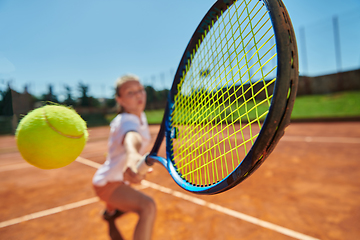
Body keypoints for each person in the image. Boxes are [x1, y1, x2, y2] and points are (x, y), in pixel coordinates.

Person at [92, 74, 156, 240]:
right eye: (130, 92)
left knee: (124, 204)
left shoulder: (140, 116)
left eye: (140, 90)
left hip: (118, 179)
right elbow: (131, 136)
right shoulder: (125, 121)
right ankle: (111, 209)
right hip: (108, 184)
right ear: (119, 99)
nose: (138, 95)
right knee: (148, 206)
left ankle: (110, 212)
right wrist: (133, 154)